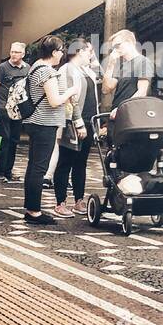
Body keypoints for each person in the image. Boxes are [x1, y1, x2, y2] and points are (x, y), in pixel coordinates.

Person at [21, 35, 81, 226]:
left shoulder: (35, 67)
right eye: (61, 50)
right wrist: (71, 92)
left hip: (35, 122)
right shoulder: (47, 71)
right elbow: (54, 100)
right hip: (43, 124)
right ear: (54, 52)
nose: (62, 54)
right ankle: (34, 211)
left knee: (33, 167)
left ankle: (31, 208)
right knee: (39, 168)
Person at [52, 39, 98, 219]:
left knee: (81, 162)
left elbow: (97, 76)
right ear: (79, 51)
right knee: (66, 161)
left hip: (88, 121)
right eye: (88, 51)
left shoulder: (86, 70)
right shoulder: (66, 70)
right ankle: (60, 202)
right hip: (72, 122)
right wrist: (78, 122)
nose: (91, 55)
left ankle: (79, 200)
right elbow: (69, 99)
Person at [0, 41, 27, 182]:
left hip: (17, 110)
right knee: (4, 140)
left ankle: (8, 172)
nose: (13, 54)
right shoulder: (3, 67)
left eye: (17, 52)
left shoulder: (26, 68)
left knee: (14, 141)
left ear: (23, 54)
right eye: (12, 51)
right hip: (2, 108)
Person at [102, 29, 153, 114]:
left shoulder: (143, 61)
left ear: (129, 42)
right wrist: (111, 64)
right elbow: (105, 90)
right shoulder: (122, 66)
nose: (115, 50)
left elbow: (142, 91)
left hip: (132, 115)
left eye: (117, 45)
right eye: (113, 48)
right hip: (118, 114)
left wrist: (121, 108)